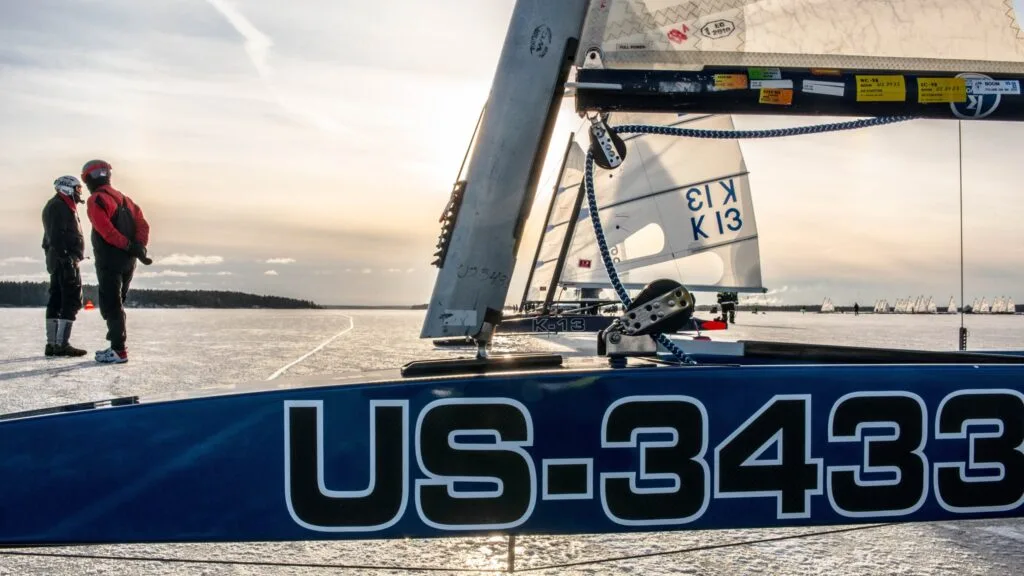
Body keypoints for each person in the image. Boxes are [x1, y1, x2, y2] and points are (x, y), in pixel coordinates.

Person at [82, 159, 153, 364]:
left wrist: (131, 246)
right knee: (117, 304)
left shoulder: (97, 200)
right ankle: (116, 344)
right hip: (128, 261)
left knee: (111, 305)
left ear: (87, 179)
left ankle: (118, 349)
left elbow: (106, 231)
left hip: (110, 259)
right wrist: (138, 246)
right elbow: (143, 225)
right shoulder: (126, 200)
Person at [41, 175, 88, 357]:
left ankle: (53, 344)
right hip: (64, 260)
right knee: (70, 299)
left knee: (58, 298)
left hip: (60, 259)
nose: (79, 192)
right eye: (77, 189)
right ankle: (60, 344)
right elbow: (55, 236)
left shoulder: (62, 205)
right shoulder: (58, 206)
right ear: (66, 188)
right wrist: (67, 257)